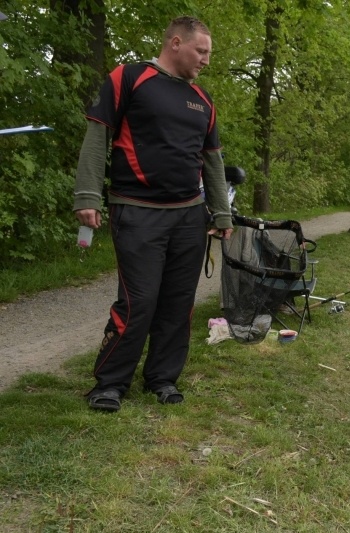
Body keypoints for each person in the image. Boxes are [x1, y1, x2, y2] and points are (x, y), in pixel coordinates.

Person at [73, 16, 233, 412]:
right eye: (201, 51)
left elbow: (212, 161)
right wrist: (88, 195)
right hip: (137, 211)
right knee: (139, 301)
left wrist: (222, 213)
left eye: (209, 53)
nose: (206, 60)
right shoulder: (129, 78)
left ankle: (162, 378)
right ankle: (110, 383)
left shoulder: (202, 100)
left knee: (178, 302)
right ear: (175, 43)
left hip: (189, 216)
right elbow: (97, 134)